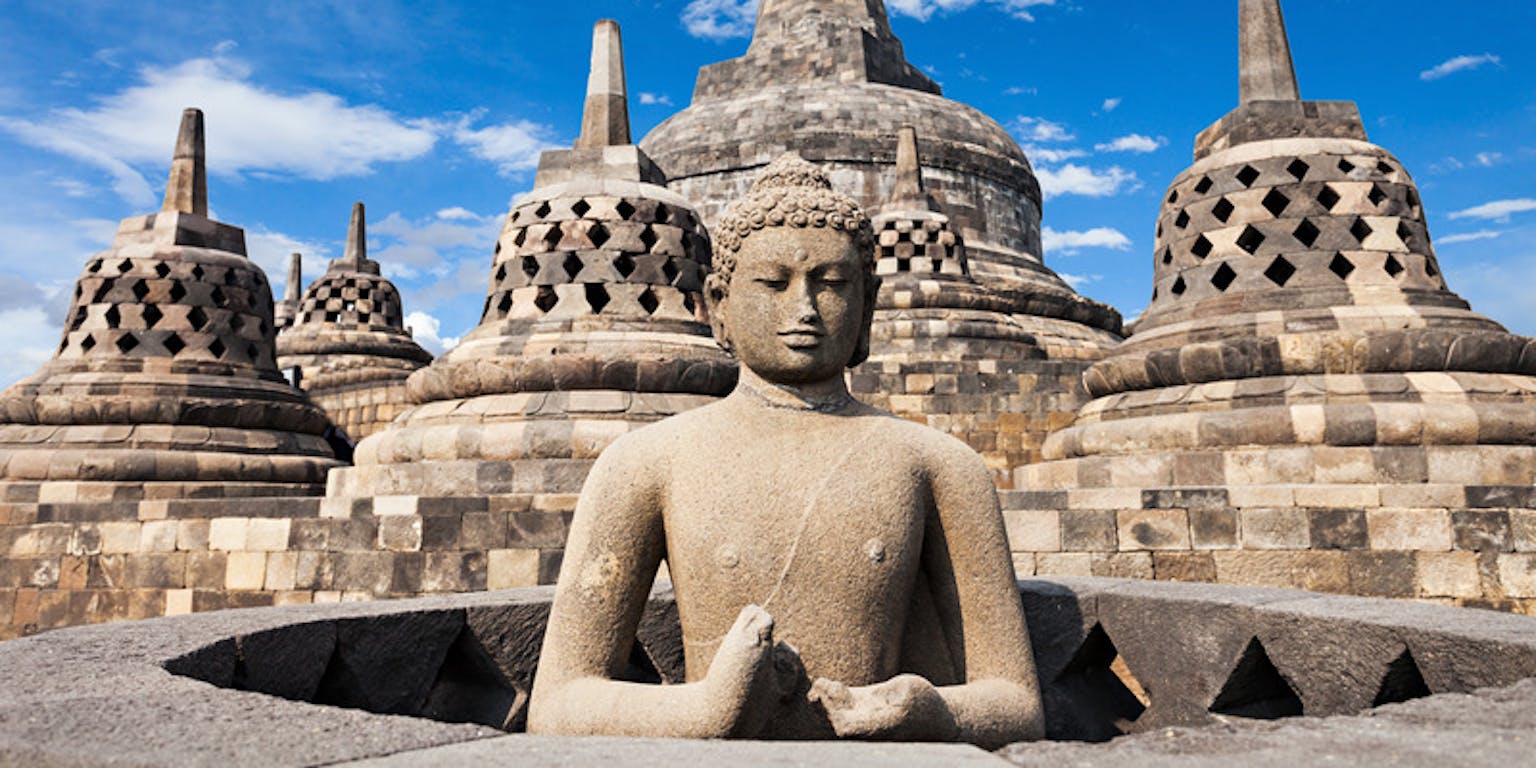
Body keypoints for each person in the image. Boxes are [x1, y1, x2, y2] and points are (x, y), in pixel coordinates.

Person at [527, 154, 1044, 748]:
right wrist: (704, 710)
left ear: (868, 304)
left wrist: (930, 710)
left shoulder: (938, 466)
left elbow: (1016, 702)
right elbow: (560, 699)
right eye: (773, 284)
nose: (804, 309)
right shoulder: (645, 464)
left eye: (831, 284)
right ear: (718, 304)